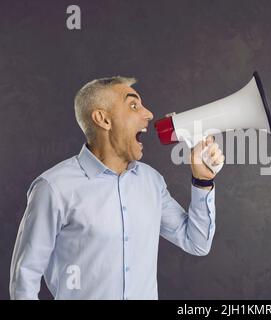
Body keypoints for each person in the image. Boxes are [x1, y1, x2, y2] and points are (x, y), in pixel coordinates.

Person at [9, 76, 224, 299]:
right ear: (103, 119)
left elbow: (197, 242)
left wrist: (202, 181)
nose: (149, 114)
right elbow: (25, 279)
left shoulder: (151, 181)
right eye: (133, 105)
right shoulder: (53, 188)